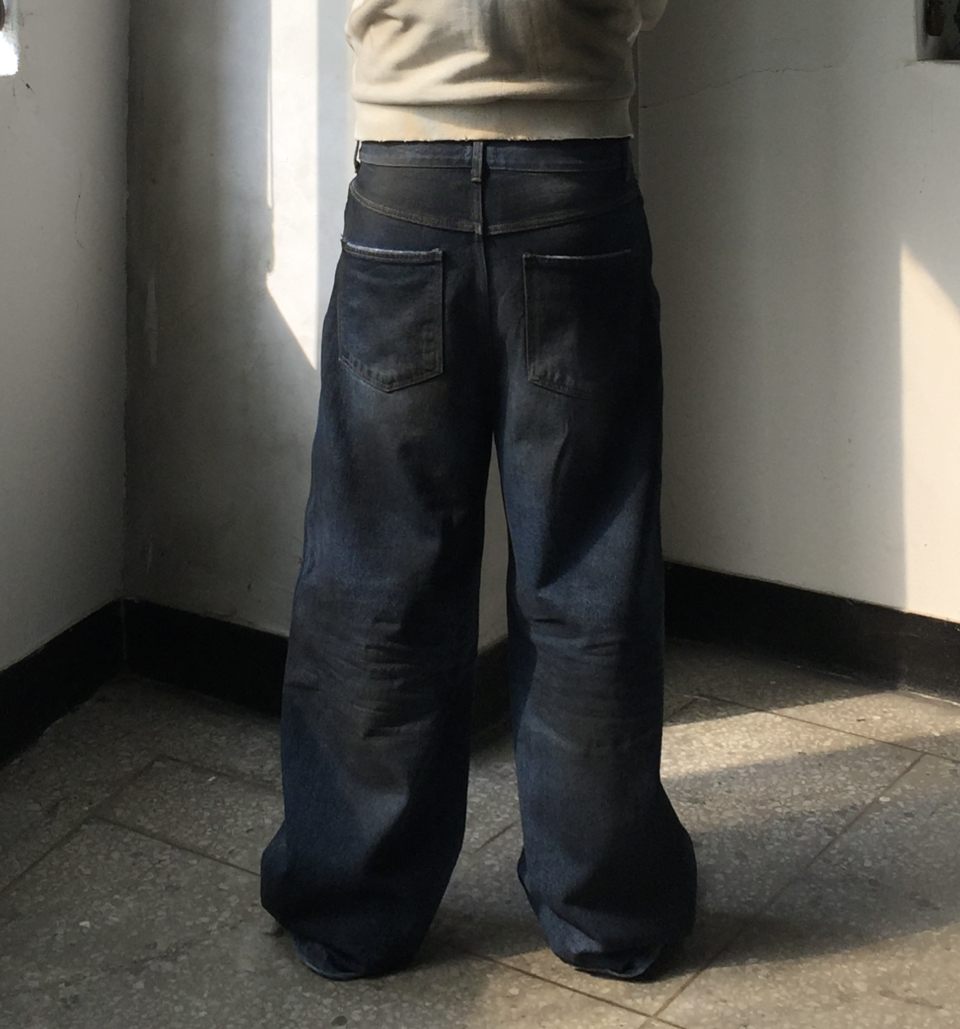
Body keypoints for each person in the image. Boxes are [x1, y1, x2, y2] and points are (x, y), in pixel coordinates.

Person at [260, 0, 697, 981]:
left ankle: (352, 908)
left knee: (374, 575)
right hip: (576, 178)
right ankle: (608, 910)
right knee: (587, 574)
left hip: (403, 180)